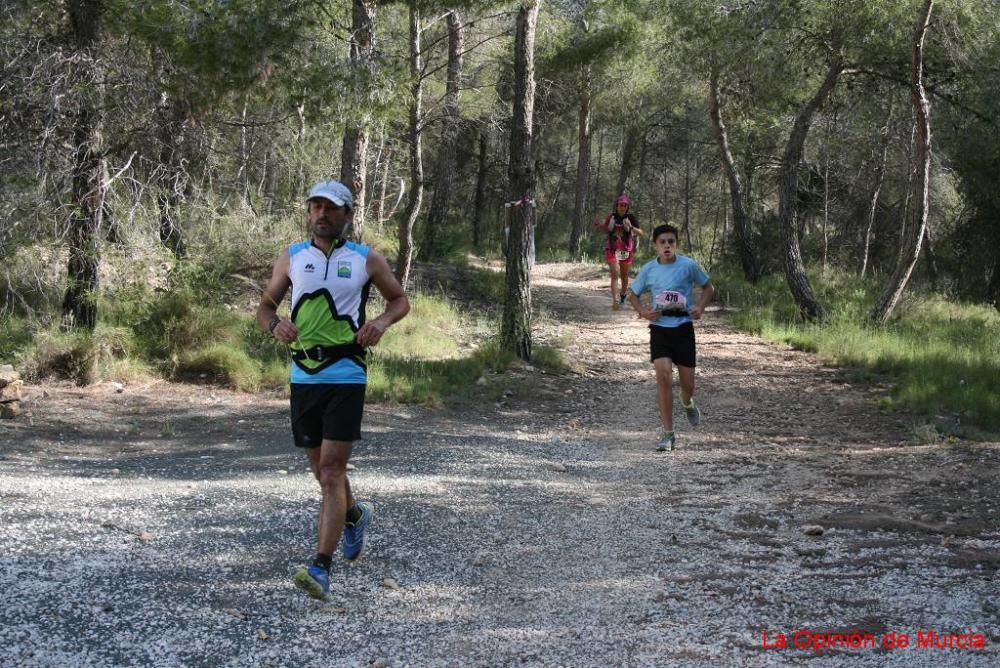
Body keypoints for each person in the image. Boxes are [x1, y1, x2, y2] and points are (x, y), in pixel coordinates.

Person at [256, 180, 410, 600]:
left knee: (330, 473)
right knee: (322, 473)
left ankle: (320, 568)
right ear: (309, 212)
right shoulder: (292, 257)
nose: (321, 214)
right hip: (304, 374)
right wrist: (275, 325)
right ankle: (355, 515)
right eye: (315, 206)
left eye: (331, 208)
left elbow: (399, 300)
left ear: (346, 215)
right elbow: (265, 306)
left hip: (347, 372)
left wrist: (379, 323)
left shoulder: (365, 259)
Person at [626, 223, 714, 452]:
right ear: (655, 245)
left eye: (671, 242)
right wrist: (644, 312)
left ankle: (687, 402)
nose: (667, 246)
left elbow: (708, 288)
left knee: (688, 385)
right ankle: (667, 434)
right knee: (663, 378)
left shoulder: (688, 266)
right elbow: (632, 295)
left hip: (684, 327)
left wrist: (700, 308)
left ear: (676, 245)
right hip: (660, 328)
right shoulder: (648, 270)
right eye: (662, 242)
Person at [599, 194, 644, 310]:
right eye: (620, 205)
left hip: (625, 249)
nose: (622, 207)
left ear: (627, 207)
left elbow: (641, 233)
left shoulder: (631, 218)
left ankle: (623, 296)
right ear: (617, 206)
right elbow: (604, 229)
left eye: (625, 205)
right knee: (615, 273)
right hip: (612, 248)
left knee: (624, 275)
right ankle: (615, 300)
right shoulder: (612, 217)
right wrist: (606, 225)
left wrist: (631, 227)